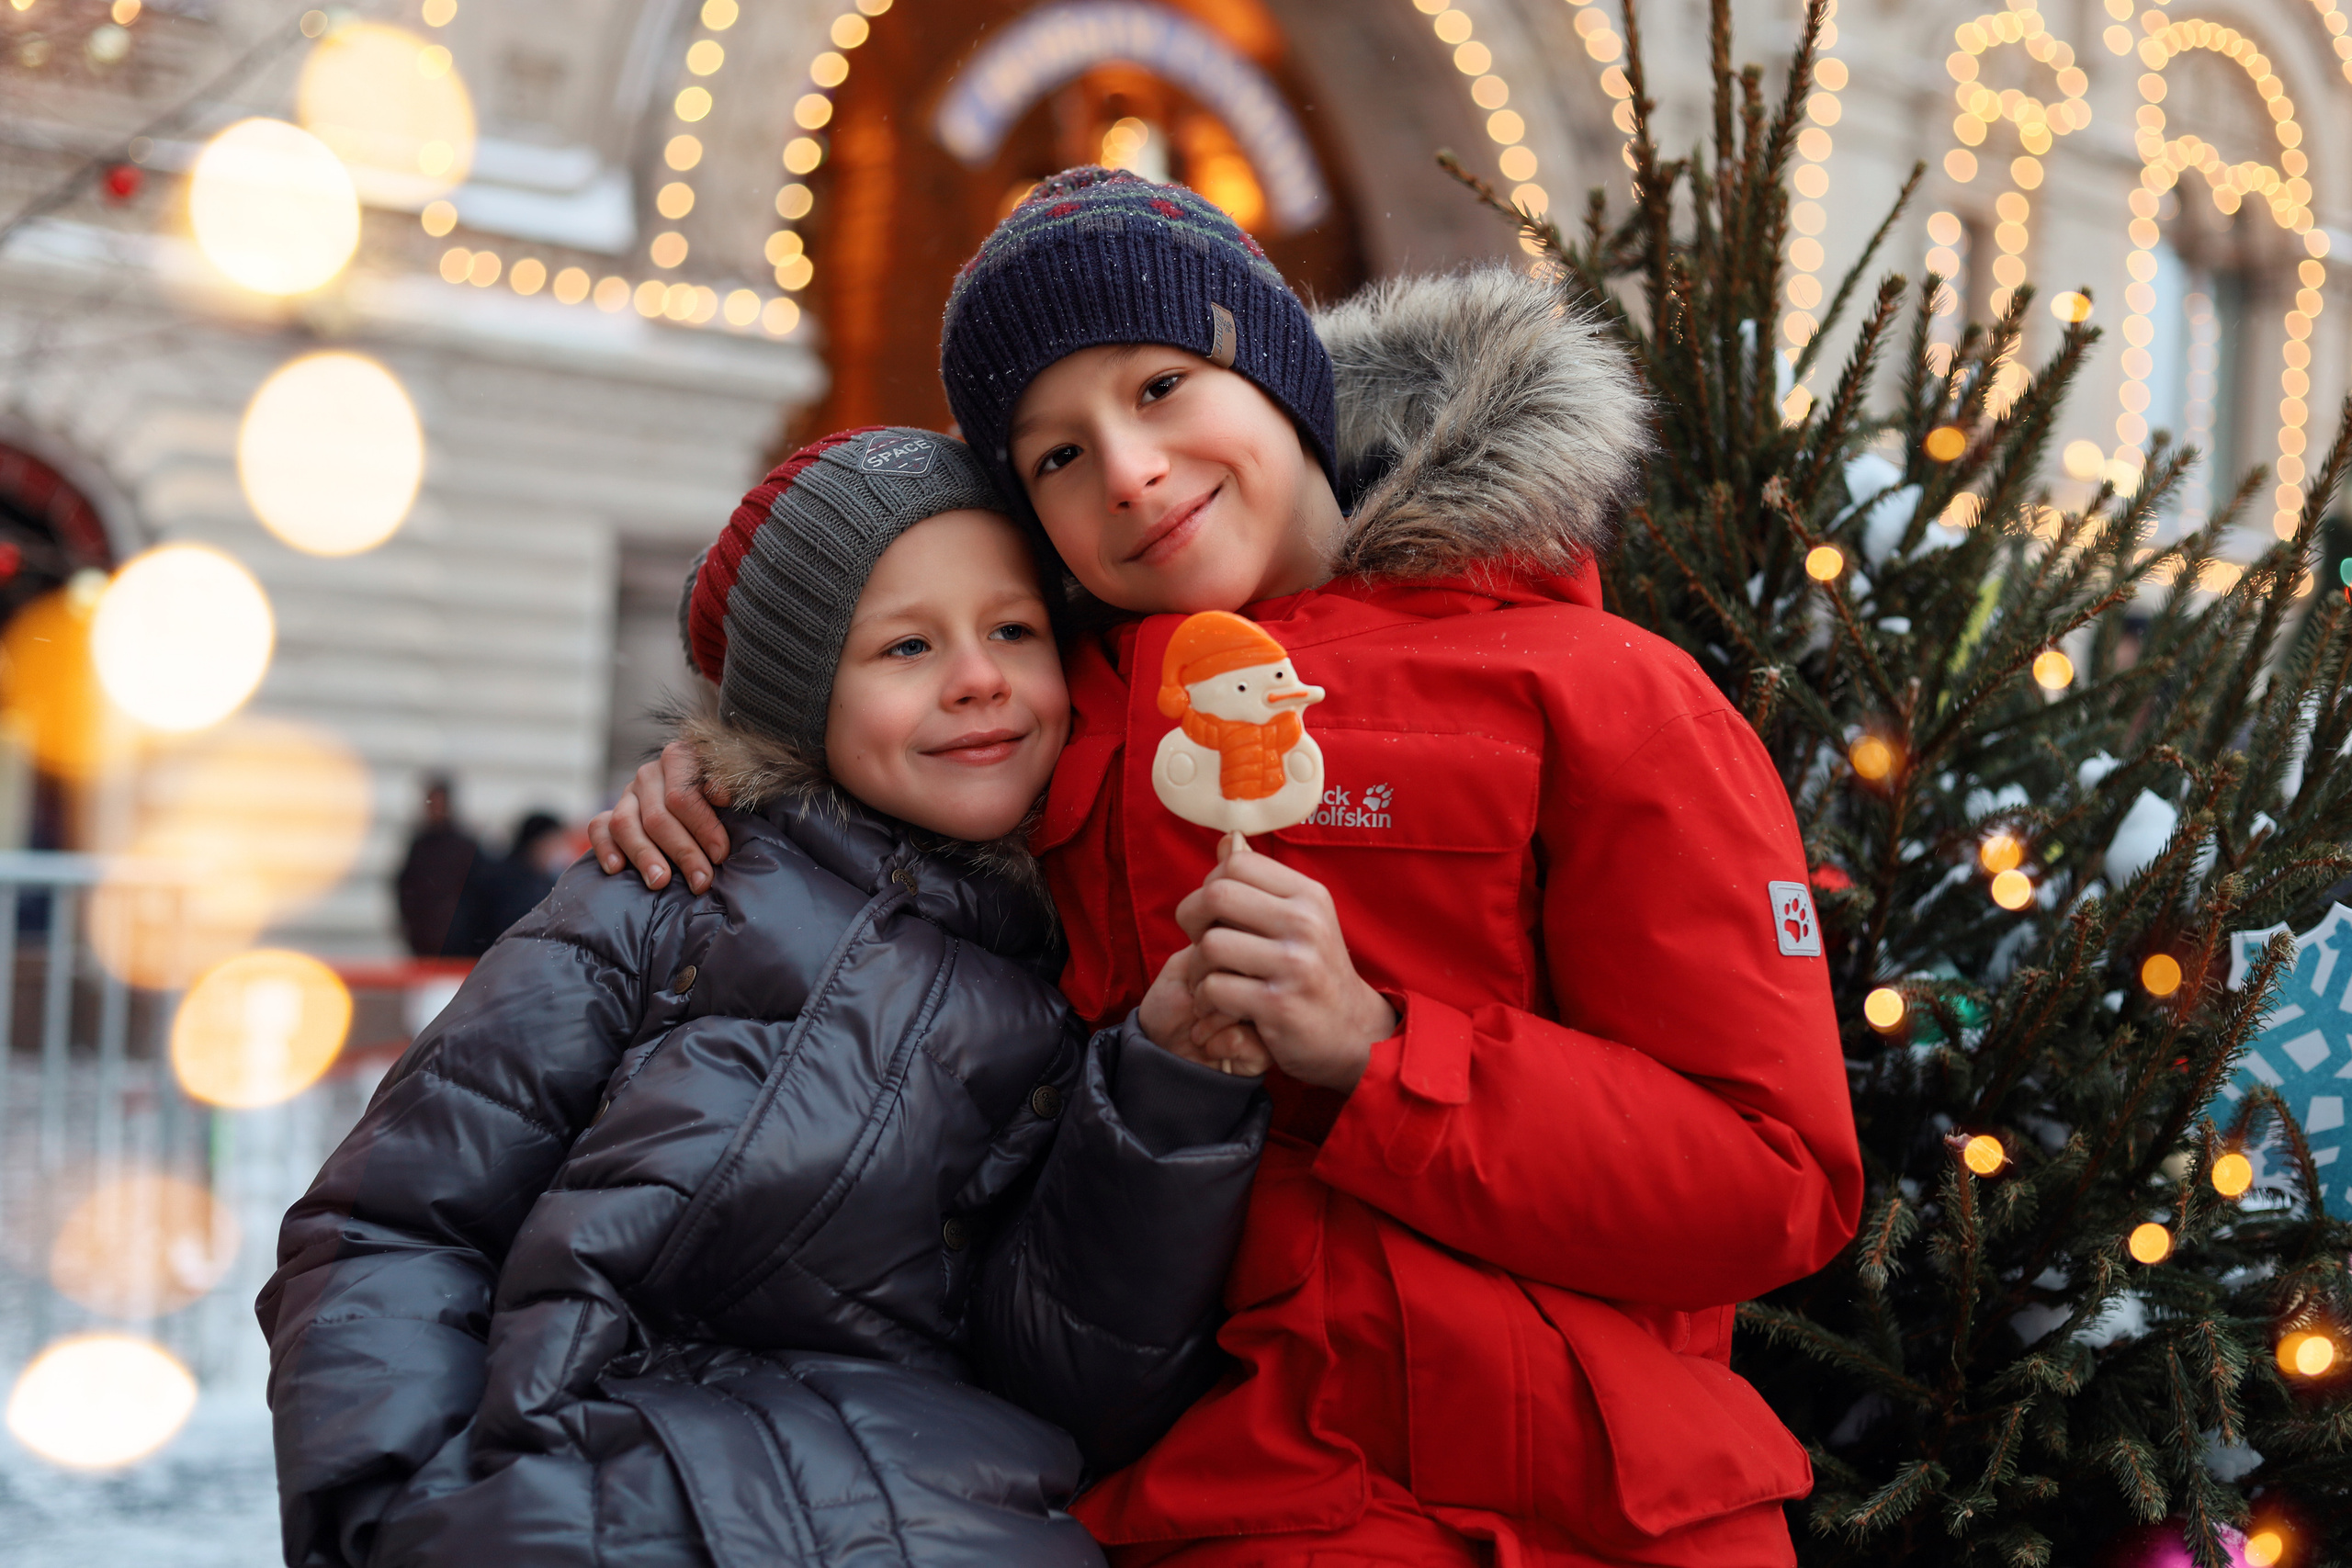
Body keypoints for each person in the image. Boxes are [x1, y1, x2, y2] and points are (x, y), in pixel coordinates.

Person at [594, 170, 1864, 1565]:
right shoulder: (1053, 722)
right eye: (1055, 457)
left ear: (1277, 374)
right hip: (1226, 1499)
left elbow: (1775, 1178)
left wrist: (1383, 1053)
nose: (1127, 470)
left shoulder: (1610, 695)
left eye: (1160, 386)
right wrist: (731, 773)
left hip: (1587, 1508)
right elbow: (863, 743)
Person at [258, 426, 1270, 1568]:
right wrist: (390, 1507)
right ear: (801, 701)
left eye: (1012, 630)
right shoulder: (660, 892)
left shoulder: (1086, 964)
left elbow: (1077, 1372)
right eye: (904, 646)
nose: (978, 676)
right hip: (569, 1494)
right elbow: (393, 1221)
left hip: (938, 1517)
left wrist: (1170, 1101)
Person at [444, 810, 570, 957]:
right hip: (487, 964)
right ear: (537, 842)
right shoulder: (505, 880)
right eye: (555, 842)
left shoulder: (543, 880)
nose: (558, 851)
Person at [392, 774, 480, 957]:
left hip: (459, 943)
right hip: (423, 943)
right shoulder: (419, 846)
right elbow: (406, 889)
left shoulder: (466, 847)